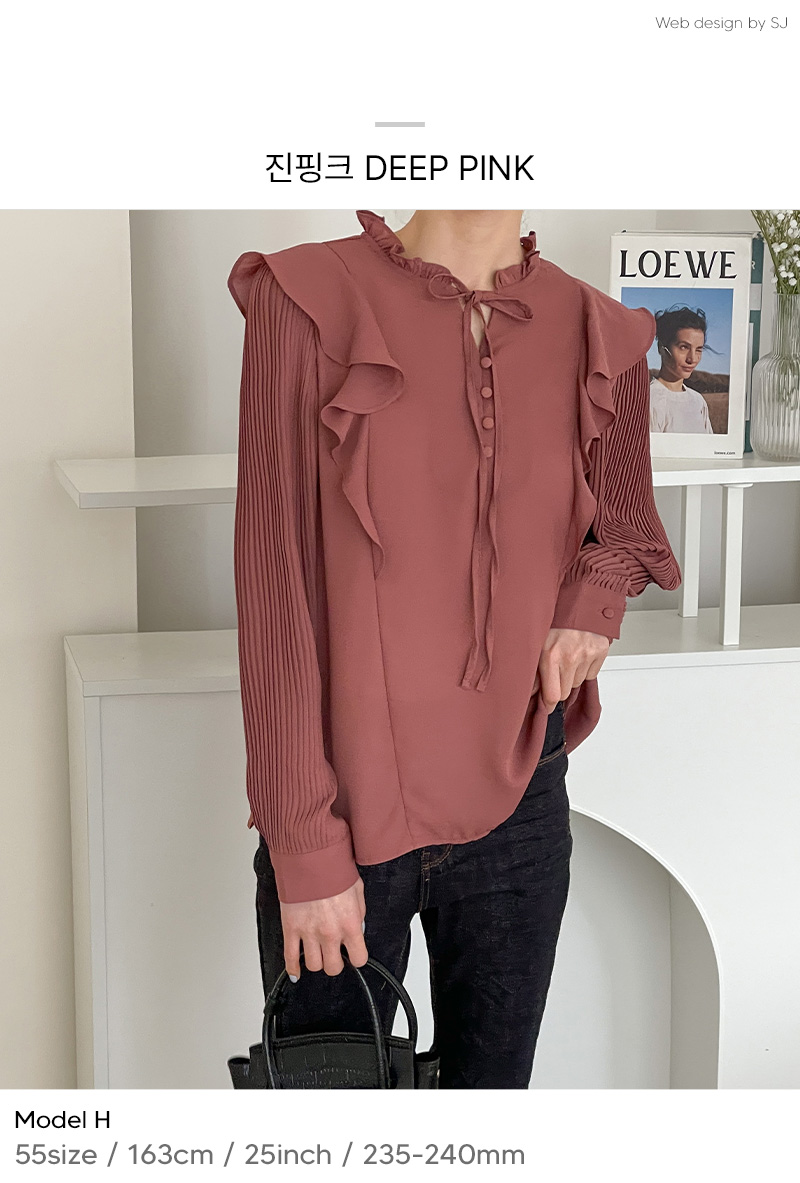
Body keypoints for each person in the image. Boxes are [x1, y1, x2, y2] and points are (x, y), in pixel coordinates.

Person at [228, 210, 682, 1088]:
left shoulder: (600, 328)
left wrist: (591, 604)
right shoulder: (305, 297)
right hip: (344, 801)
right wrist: (304, 845)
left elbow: (627, 525)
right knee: (335, 1133)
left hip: (521, 789)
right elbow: (271, 580)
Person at [649, 306, 714, 433]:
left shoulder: (698, 401)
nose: (692, 359)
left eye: (698, 350)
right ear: (661, 348)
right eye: (684, 347)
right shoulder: (650, 399)